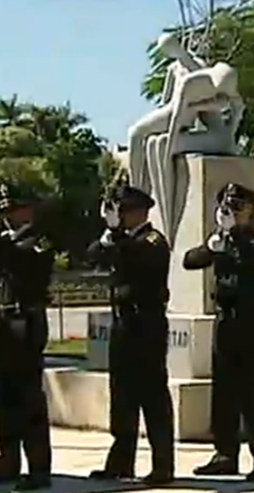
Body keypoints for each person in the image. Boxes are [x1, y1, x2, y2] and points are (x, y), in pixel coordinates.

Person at [184, 183, 254, 481]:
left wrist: (232, 237)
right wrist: (214, 243)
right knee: (223, 391)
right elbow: (190, 261)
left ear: (250, 211)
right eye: (228, 207)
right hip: (224, 321)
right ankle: (225, 453)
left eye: (238, 207)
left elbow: (252, 261)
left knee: (251, 392)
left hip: (249, 321)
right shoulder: (220, 240)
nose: (232, 213)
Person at [0, 183, 55, 490]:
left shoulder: (38, 239)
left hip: (27, 320)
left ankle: (39, 469)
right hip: (5, 321)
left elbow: (23, 262)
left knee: (29, 397)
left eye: (13, 210)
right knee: (5, 397)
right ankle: (8, 460)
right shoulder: (3, 240)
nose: (8, 216)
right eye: (3, 211)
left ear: (29, 209)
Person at [87, 185, 174, 485]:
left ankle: (163, 465)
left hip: (146, 323)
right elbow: (93, 256)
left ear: (140, 211)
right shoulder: (120, 238)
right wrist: (107, 233)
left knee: (152, 397)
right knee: (122, 397)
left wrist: (117, 235)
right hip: (123, 324)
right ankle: (121, 462)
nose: (121, 217)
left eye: (124, 212)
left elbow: (137, 259)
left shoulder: (153, 240)